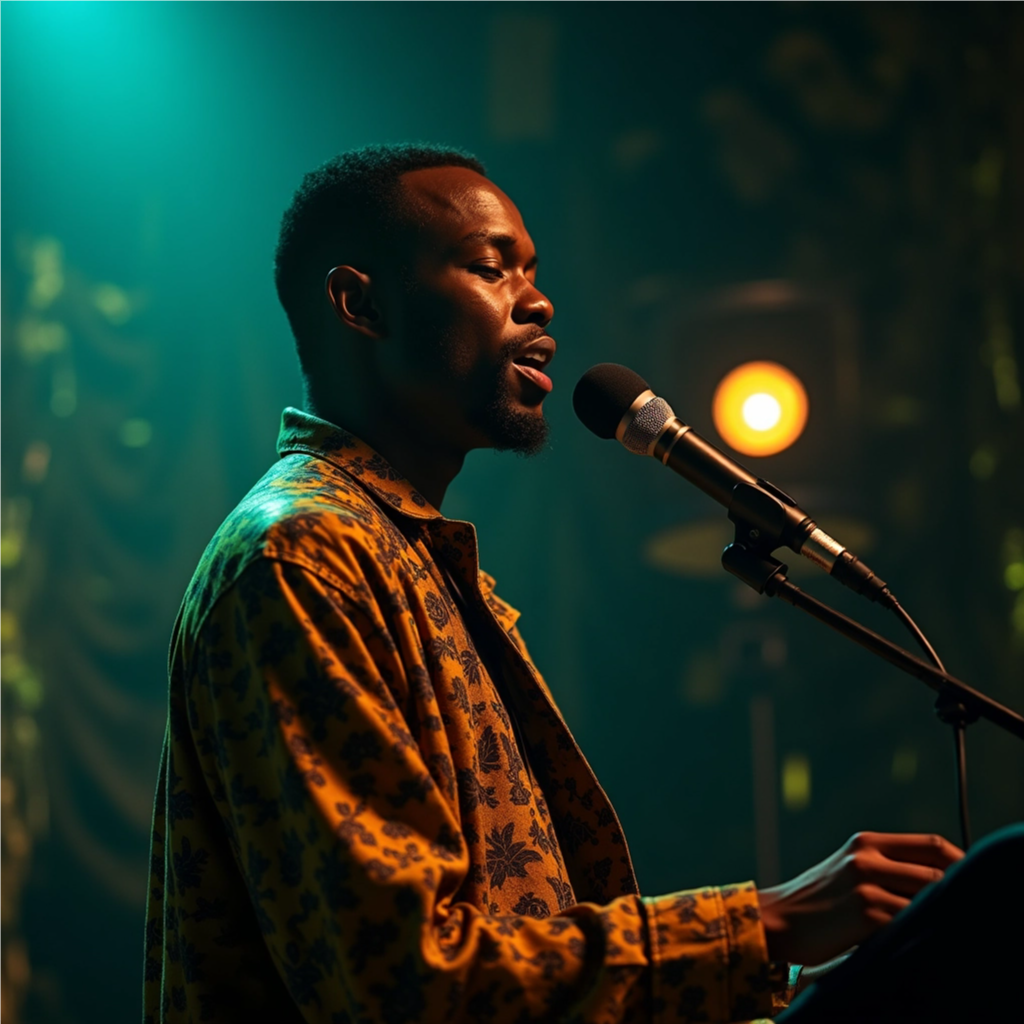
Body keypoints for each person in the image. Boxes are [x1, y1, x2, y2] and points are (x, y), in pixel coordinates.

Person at [143, 143, 1022, 1023]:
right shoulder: (300, 559)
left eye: (532, 270)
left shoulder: (406, 557)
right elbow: (404, 982)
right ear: (359, 303)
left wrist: (791, 983)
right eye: (492, 268)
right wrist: (763, 923)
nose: (538, 299)